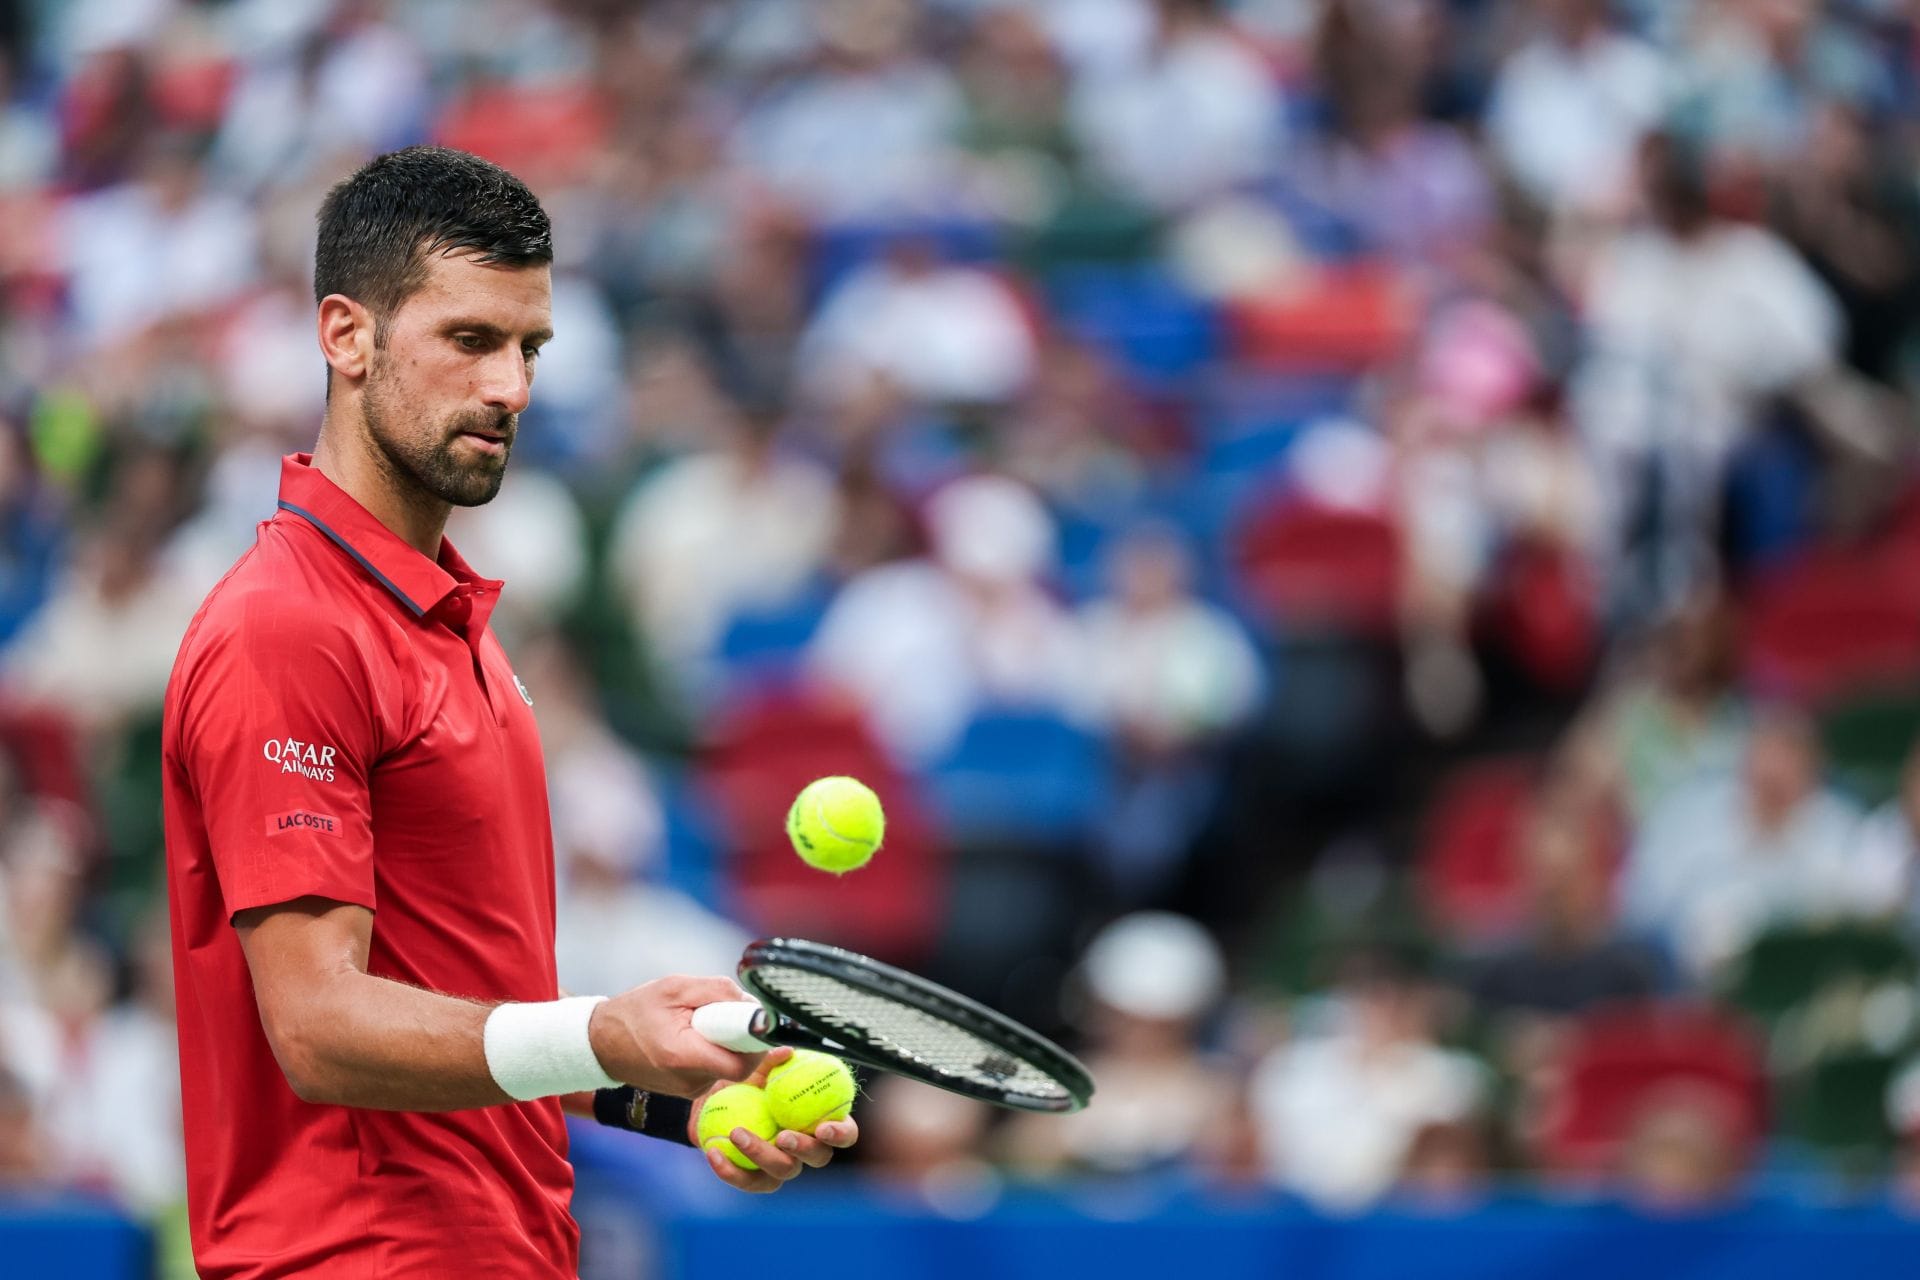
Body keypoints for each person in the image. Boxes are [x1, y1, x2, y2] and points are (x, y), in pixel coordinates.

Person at [160, 147, 855, 1280]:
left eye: (530, 347)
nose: (512, 388)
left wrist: (675, 1090)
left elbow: (469, 1013)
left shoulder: (454, 622)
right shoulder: (286, 628)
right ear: (347, 336)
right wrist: (596, 1027)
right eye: (471, 340)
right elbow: (320, 1024)